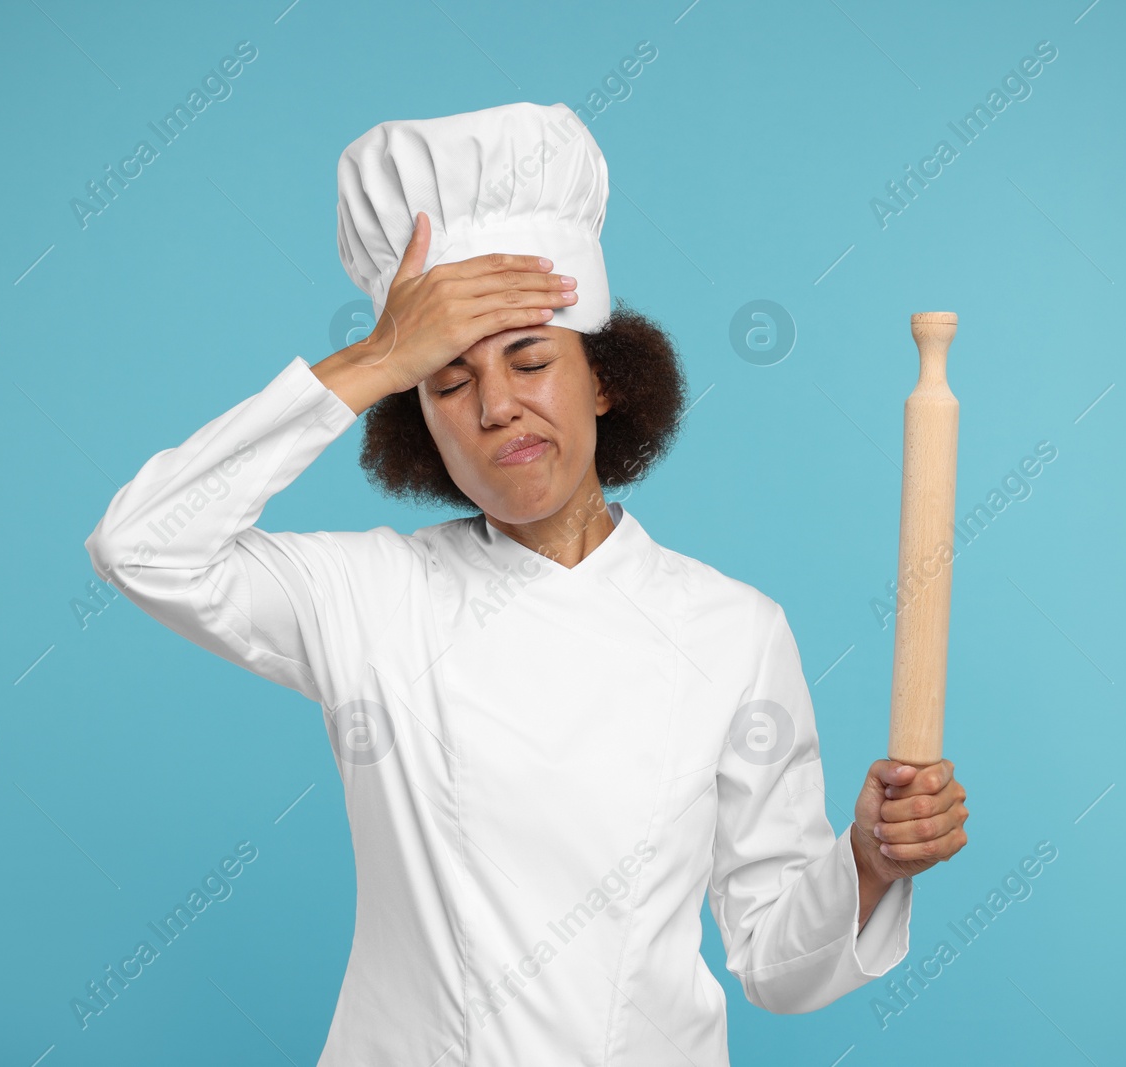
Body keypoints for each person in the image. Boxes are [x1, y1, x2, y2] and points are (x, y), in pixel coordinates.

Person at [85, 101, 967, 1065]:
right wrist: (375, 357)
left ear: (605, 379)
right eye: (448, 380)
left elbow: (775, 962)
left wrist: (868, 866)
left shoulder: (731, 630)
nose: (497, 405)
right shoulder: (368, 596)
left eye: (531, 358)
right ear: (416, 419)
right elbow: (141, 546)